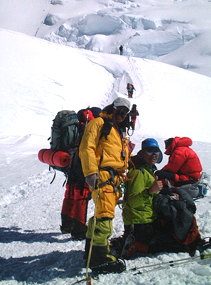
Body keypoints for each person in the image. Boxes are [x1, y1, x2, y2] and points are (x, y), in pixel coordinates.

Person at [113, 138, 201, 258]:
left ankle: (133, 240)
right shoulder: (139, 173)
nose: (153, 155)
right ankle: (137, 245)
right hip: (140, 222)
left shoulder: (149, 170)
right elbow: (133, 201)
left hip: (147, 219)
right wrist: (150, 191)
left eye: (156, 151)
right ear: (142, 153)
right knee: (174, 243)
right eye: (149, 151)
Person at [79, 97, 132, 273]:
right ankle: (100, 260)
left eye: (125, 112)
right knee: (105, 217)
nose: (122, 115)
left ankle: (92, 254)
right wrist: (90, 173)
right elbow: (87, 147)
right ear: (112, 108)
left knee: (100, 216)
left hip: (114, 178)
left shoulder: (118, 130)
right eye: (119, 111)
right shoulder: (98, 123)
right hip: (102, 176)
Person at [60, 107, 101, 240]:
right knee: (82, 194)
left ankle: (67, 224)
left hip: (72, 160)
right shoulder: (92, 126)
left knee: (70, 191)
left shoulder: (79, 124)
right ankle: (79, 229)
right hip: (82, 162)